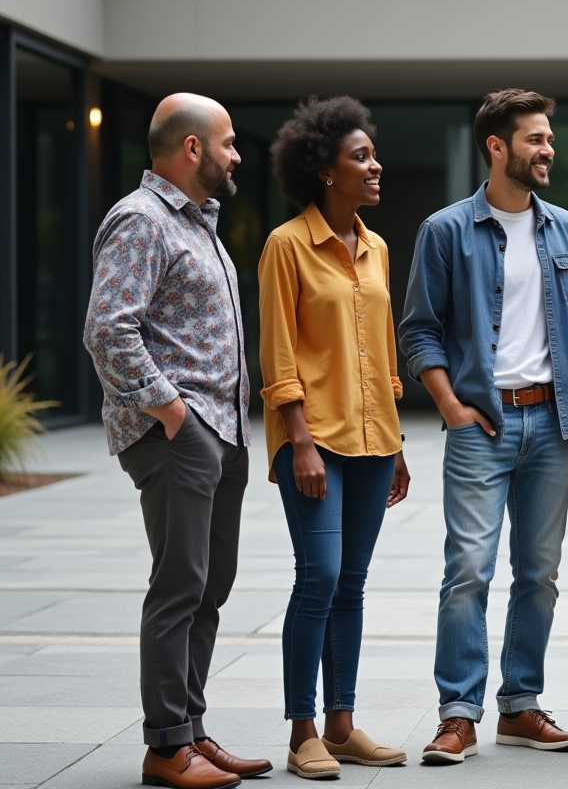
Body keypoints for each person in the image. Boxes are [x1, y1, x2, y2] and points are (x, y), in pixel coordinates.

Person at [83, 93, 272, 789]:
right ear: (193, 148)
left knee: (209, 586)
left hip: (220, 430)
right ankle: (165, 747)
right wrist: (171, 413)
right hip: (180, 434)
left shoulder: (197, 222)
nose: (237, 155)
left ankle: (191, 730)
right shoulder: (141, 219)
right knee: (179, 586)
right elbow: (108, 329)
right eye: (228, 142)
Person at [398, 88, 568, 764]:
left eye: (550, 139)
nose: (548, 150)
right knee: (469, 571)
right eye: (536, 139)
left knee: (539, 573)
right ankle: (458, 714)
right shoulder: (445, 230)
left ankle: (521, 705)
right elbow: (418, 330)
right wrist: (451, 406)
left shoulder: (566, 229)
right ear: (496, 146)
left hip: (553, 424)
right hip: (482, 423)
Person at [258, 97, 410, 780]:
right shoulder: (286, 244)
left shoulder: (377, 249)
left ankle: (342, 726)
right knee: (317, 575)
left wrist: (397, 442)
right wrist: (299, 441)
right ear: (324, 169)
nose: (375, 166)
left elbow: (383, 352)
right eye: (361, 157)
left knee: (351, 582)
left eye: (374, 155)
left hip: (375, 439)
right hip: (313, 439)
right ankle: (303, 732)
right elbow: (278, 352)